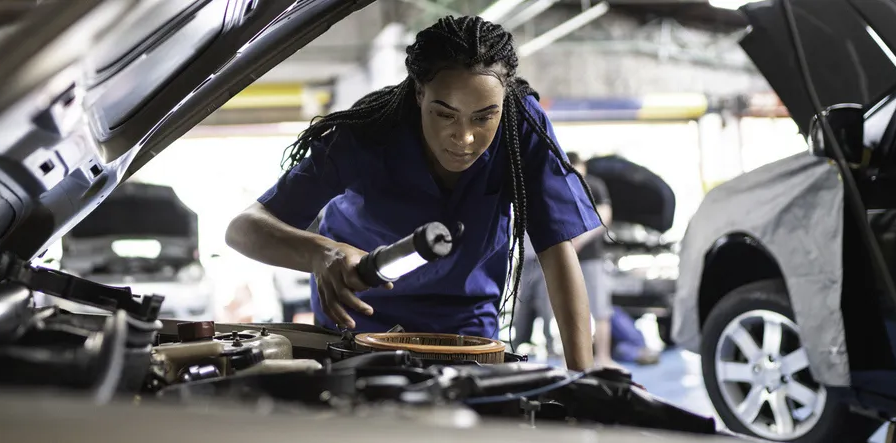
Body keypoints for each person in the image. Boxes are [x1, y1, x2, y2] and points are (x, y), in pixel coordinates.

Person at [224, 16, 603, 370]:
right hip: (359, 325)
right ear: (420, 93)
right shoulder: (366, 133)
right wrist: (322, 254)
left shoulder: (521, 125)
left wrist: (583, 380)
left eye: (484, 116)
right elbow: (243, 229)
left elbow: (556, 251)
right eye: (445, 114)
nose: (465, 137)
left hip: (466, 332)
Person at [565, 152, 617, 368]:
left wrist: (580, 240)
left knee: (600, 310)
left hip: (591, 257)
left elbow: (604, 217)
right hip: (570, 258)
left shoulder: (593, 185)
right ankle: (572, 359)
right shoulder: (563, 185)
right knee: (571, 311)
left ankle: (603, 358)